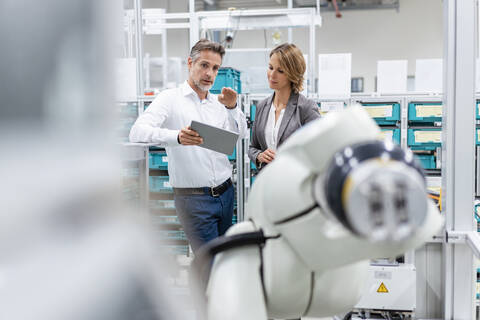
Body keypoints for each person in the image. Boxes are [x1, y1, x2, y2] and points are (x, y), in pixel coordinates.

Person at [129, 39, 248, 252]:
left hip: (225, 193)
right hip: (193, 200)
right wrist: (176, 137)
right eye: (204, 65)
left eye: (215, 68)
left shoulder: (218, 104)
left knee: (224, 261)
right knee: (208, 263)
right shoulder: (170, 99)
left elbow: (239, 135)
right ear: (190, 63)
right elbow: (137, 132)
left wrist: (232, 107)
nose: (209, 73)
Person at [248, 43, 320, 170]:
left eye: (280, 71)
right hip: (267, 181)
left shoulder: (306, 108)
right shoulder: (261, 106)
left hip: (294, 183)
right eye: (270, 67)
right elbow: (253, 147)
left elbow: (320, 150)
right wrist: (259, 156)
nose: (272, 75)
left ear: (292, 74)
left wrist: (290, 160)